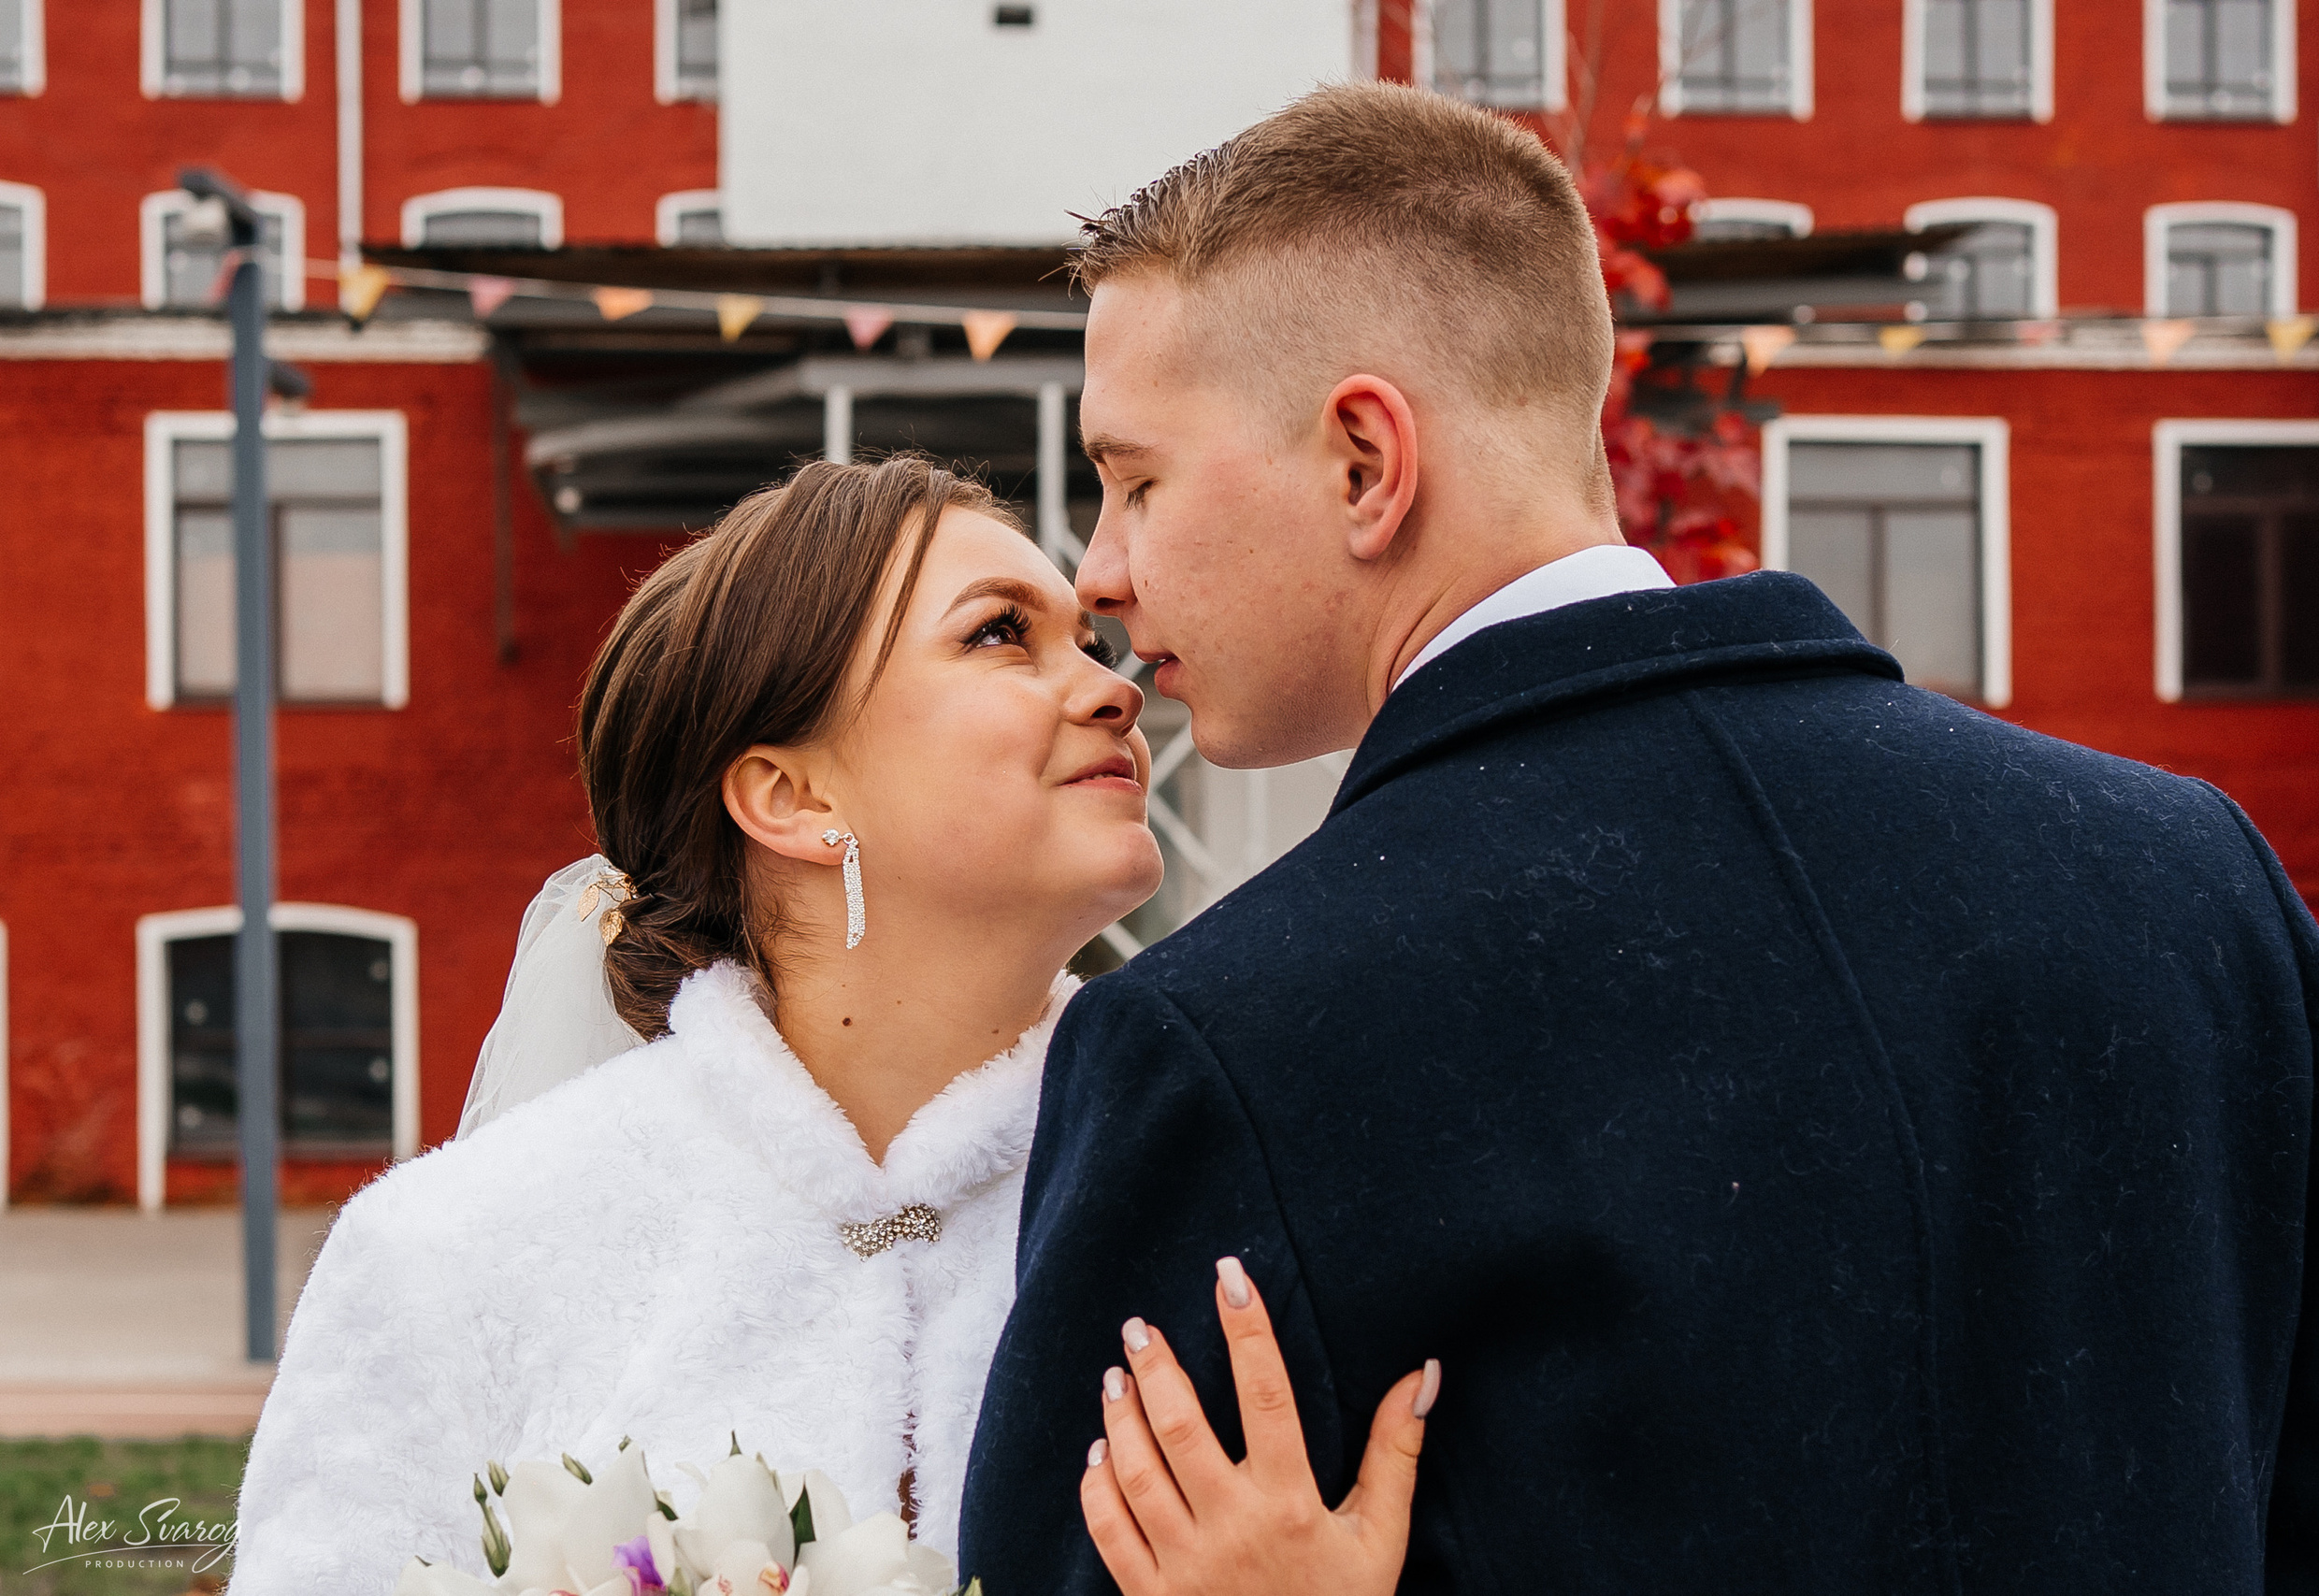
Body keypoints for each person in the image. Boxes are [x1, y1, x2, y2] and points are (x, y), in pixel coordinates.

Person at [958, 81, 2319, 1592]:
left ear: (1365, 462)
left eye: (1134, 479)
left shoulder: (1225, 1045)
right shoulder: (2189, 877)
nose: (1102, 568)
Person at [227, 457, 1426, 1594]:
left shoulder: (1256, 1195)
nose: (1115, 689)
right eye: (1001, 633)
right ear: (793, 797)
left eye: (1093, 643)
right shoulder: (444, 1261)